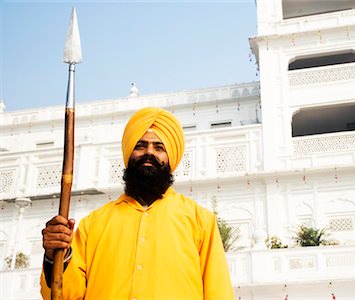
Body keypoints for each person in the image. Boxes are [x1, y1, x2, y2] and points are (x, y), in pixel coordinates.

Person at [40, 107, 234, 299]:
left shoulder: (201, 222)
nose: (148, 153)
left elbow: (219, 294)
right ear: (128, 153)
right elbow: (64, 296)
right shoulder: (93, 225)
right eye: (140, 146)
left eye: (159, 147)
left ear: (171, 157)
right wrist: (54, 255)